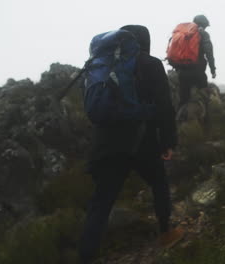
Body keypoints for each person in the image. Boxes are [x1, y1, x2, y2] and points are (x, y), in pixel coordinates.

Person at [79, 25, 183, 264]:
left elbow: (93, 108)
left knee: (101, 203)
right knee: (158, 182)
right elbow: (164, 108)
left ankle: (85, 256)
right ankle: (166, 232)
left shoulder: (99, 67)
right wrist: (168, 141)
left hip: (105, 144)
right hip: (141, 142)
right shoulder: (151, 64)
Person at [177, 14, 216, 107]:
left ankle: (178, 119)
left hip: (182, 71)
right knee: (204, 98)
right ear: (204, 25)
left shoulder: (182, 34)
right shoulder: (203, 34)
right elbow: (209, 53)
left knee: (183, 100)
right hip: (198, 72)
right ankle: (205, 119)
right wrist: (213, 70)